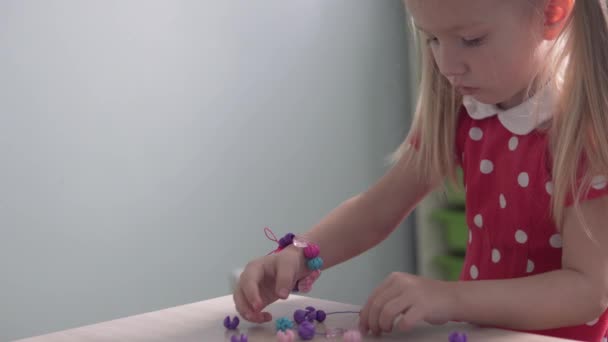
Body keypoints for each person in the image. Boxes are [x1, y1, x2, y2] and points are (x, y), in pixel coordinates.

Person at [233, 0, 608, 340]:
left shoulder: (583, 136)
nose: (446, 65)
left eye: (472, 39)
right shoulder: (466, 113)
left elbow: (587, 291)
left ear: (552, 13)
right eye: (431, 39)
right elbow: (376, 210)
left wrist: (447, 297)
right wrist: (298, 254)